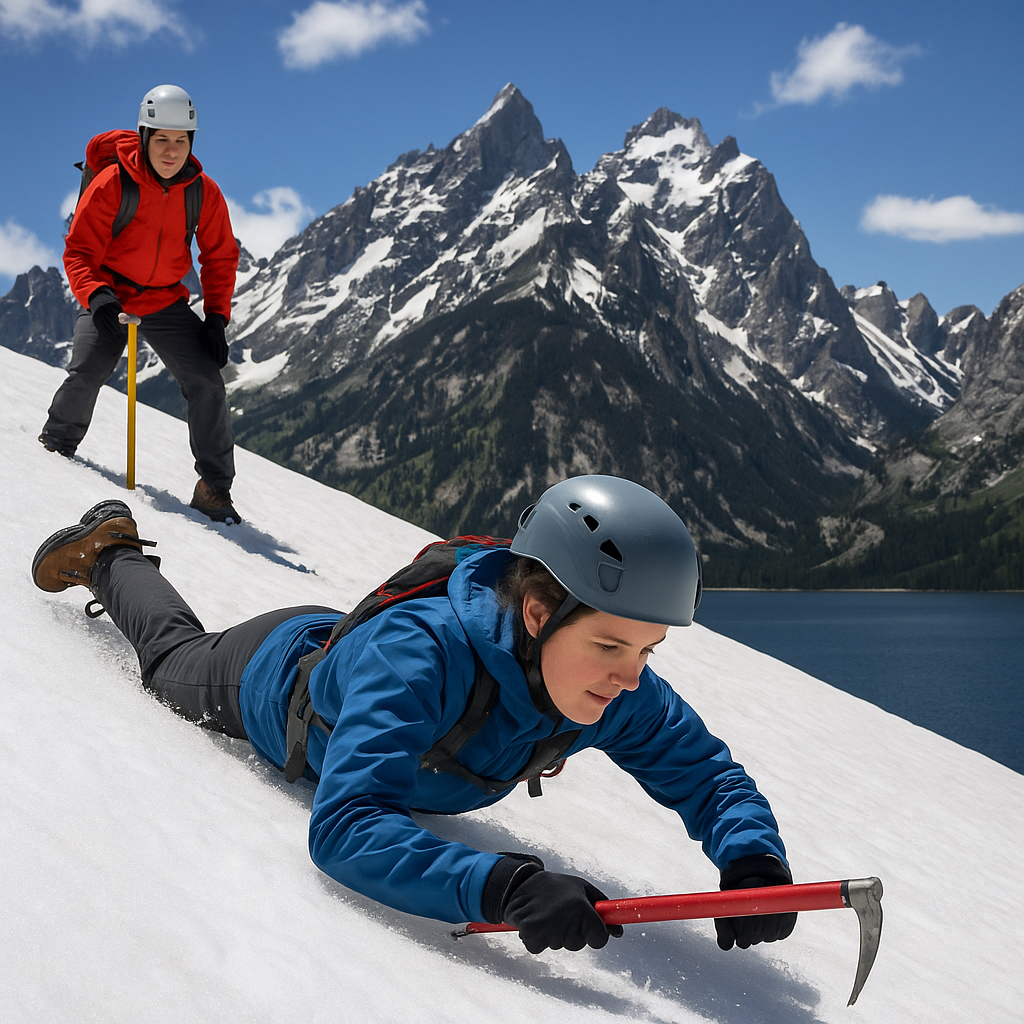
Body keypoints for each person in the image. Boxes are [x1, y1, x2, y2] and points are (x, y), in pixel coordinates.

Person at [31, 476, 797, 954]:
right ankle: (110, 551)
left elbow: (706, 778)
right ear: (537, 613)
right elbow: (344, 827)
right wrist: (507, 888)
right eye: (610, 646)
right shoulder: (416, 660)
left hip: (358, 661)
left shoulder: (604, 679)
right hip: (264, 679)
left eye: (648, 651)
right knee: (171, 662)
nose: (631, 677)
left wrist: (753, 861)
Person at [39, 84, 242, 524]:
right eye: (162, 139)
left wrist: (217, 319)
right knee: (89, 368)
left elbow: (221, 254)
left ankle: (214, 490)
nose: (172, 151)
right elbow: (78, 252)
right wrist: (99, 299)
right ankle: (54, 448)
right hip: (110, 292)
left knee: (208, 383)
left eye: (181, 140)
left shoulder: (202, 192)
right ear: (145, 135)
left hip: (165, 299)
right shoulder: (113, 183)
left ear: (192, 142)